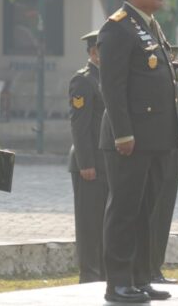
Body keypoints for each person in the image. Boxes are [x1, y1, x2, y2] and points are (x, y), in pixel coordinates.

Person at [98, 0, 178, 303]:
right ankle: (118, 282)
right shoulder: (117, 27)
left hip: (158, 136)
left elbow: (151, 72)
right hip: (132, 138)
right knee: (126, 209)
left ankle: (141, 277)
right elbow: (112, 85)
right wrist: (122, 132)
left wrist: (177, 69)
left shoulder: (148, 24)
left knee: (147, 210)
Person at [68, 30, 108, 283]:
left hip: (108, 162)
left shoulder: (107, 78)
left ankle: (104, 274)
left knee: (105, 222)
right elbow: (79, 125)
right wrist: (87, 163)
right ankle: (90, 276)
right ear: (94, 52)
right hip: (90, 162)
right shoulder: (84, 80)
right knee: (89, 224)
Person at [149, 45, 178, 285]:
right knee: (150, 216)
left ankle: (155, 268)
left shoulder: (173, 89)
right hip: (153, 154)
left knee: (163, 218)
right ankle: (145, 270)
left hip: (170, 156)